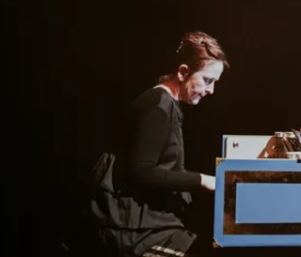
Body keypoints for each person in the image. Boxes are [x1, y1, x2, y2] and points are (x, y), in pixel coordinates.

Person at [87, 31, 229, 257]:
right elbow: (142, 170)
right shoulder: (158, 105)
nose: (211, 90)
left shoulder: (168, 105)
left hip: (146, 222)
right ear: (183, 72)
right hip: (132, 228)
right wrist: (202, 180)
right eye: (207, 80)